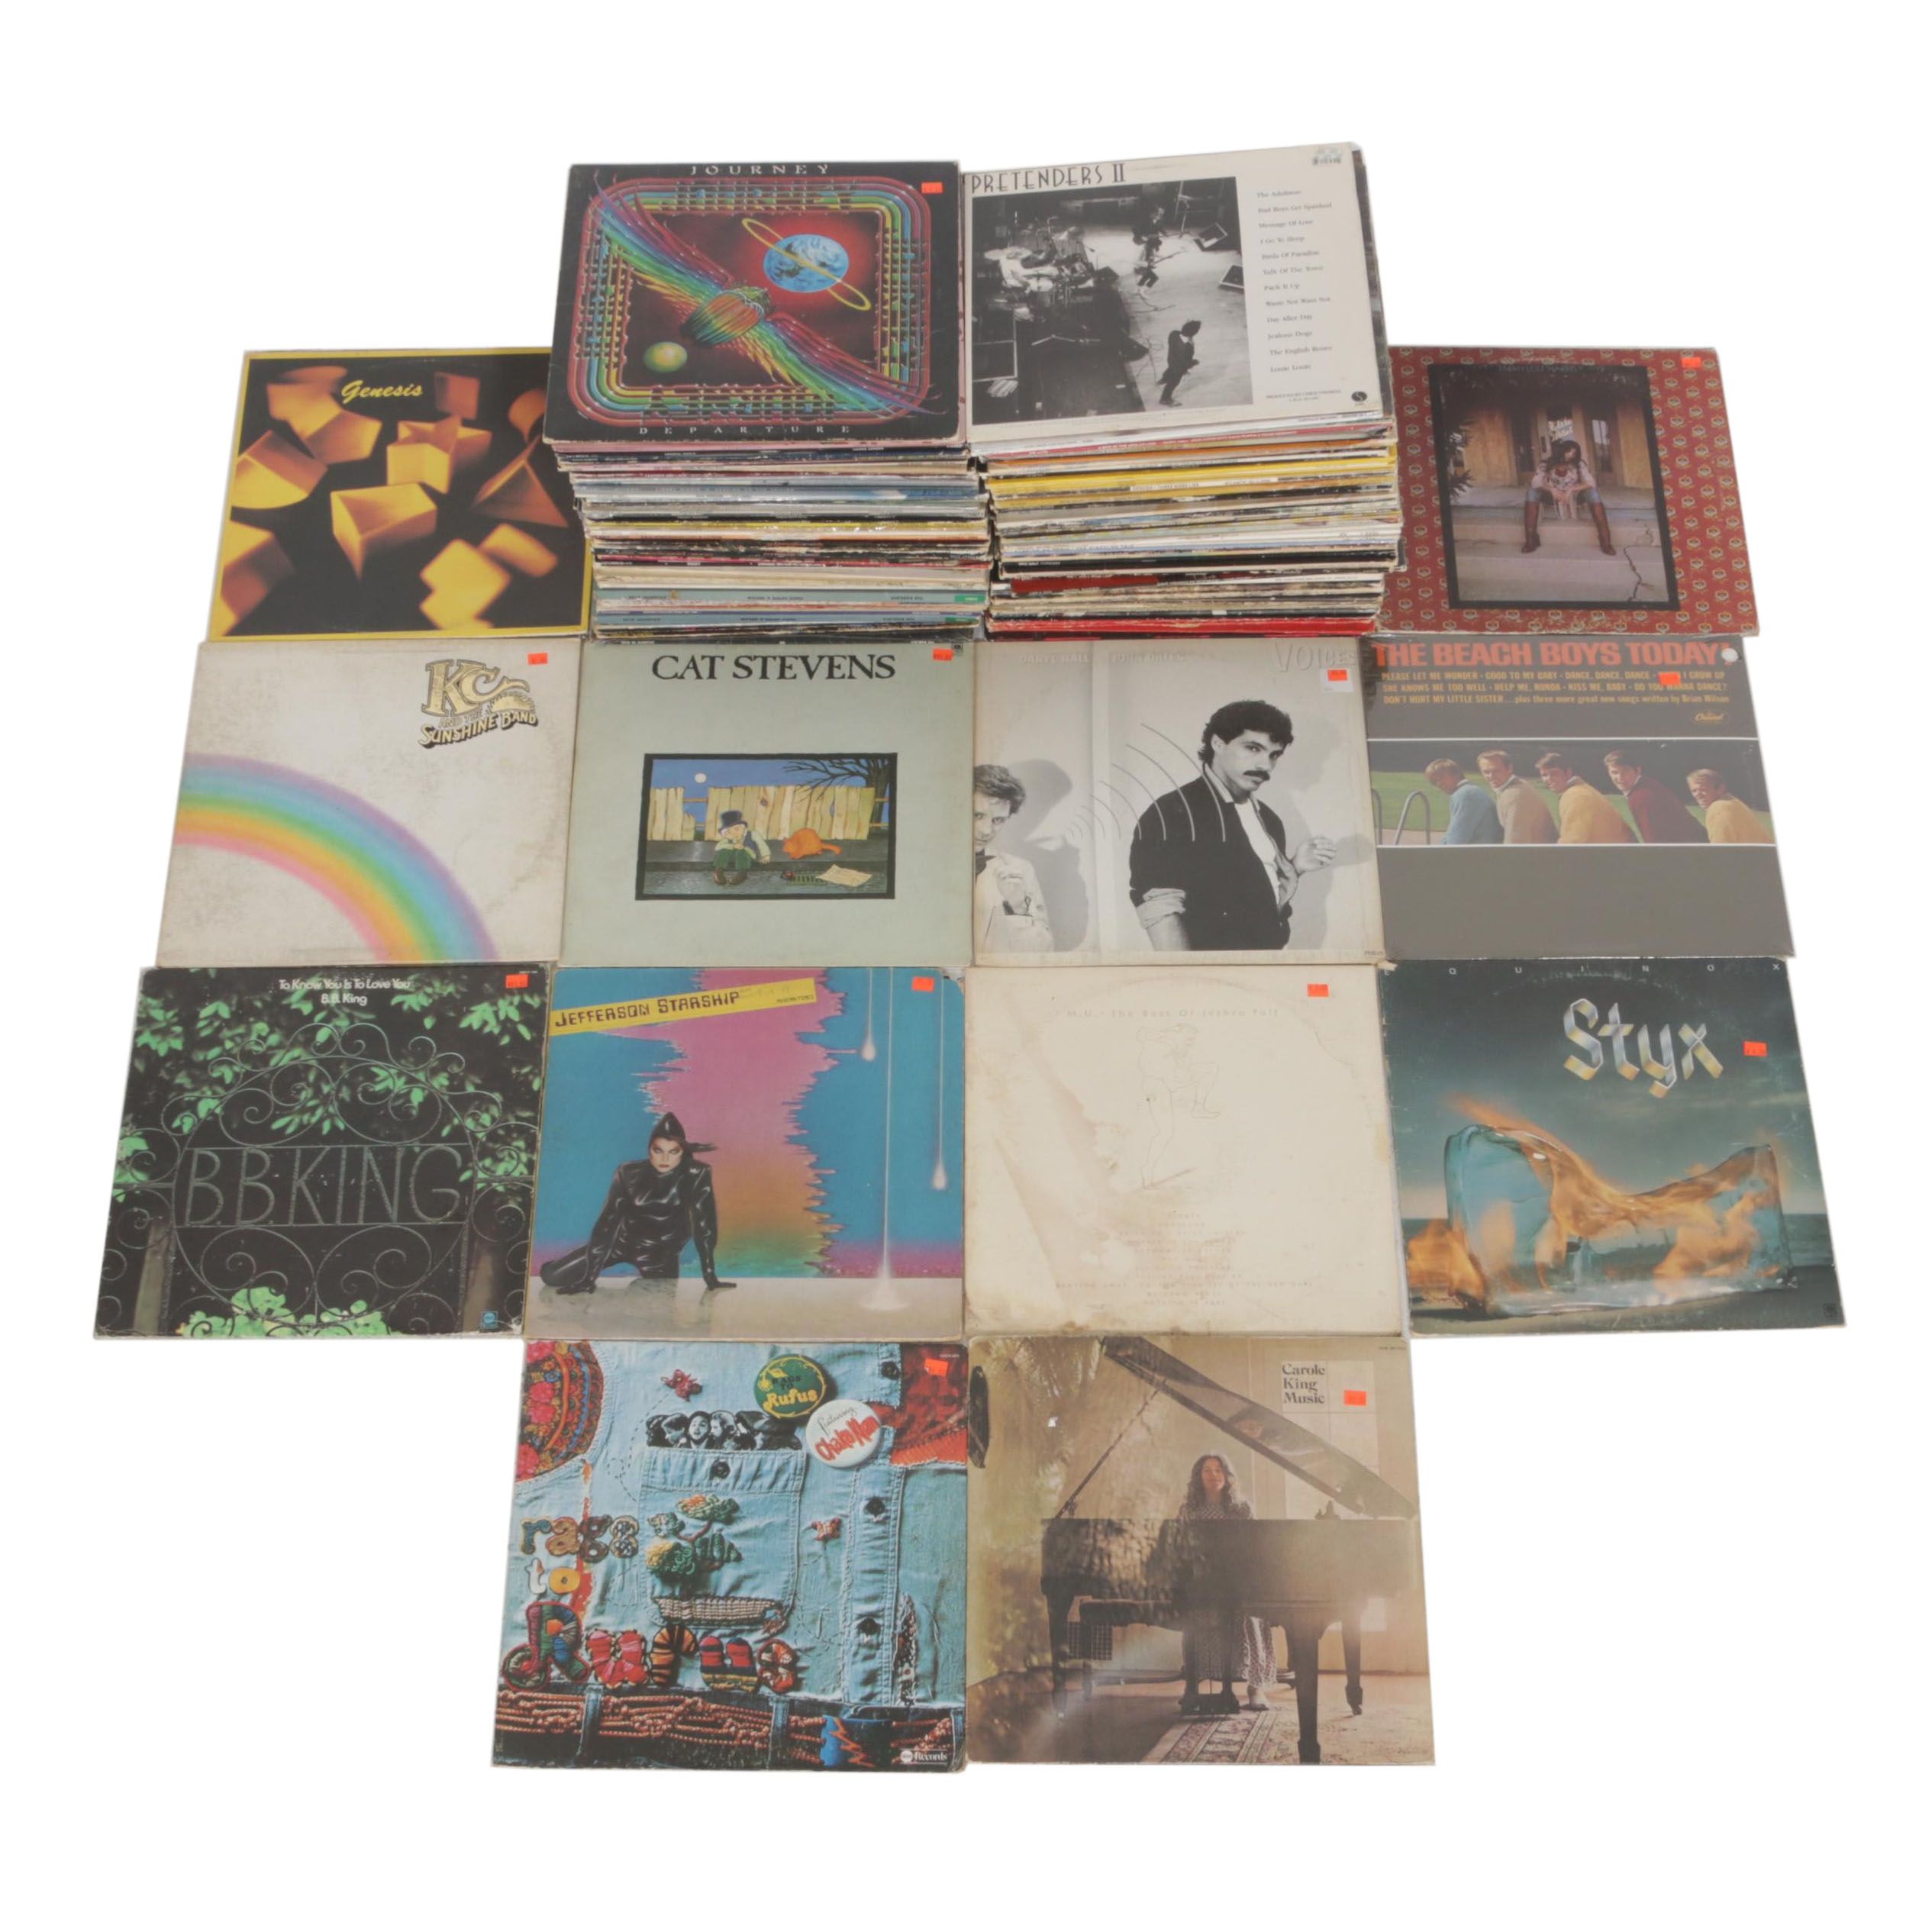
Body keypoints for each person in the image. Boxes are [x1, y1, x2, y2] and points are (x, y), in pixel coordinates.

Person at [1128, 698, 1337, 952]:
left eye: (1274, 755)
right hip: (1211, 970)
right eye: (1253, 748)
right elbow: (1159, 905)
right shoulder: (1171, 812)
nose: (1265, 765)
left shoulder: (1269, 819)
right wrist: (1185, 972)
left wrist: (1294, 867)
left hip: (1268, 962)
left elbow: (1251, 897)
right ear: (1218, 743)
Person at [540, 1112, 734, 1295]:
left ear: (682, 1152)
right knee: (551, 1277)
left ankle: (631, 1293)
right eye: (658, 1151)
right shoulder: (628, 1173)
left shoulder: (696, 1174)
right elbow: (607, 1222)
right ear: (649, 1150)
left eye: (673, 1152)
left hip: (661, 1255)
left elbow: (704, 1224)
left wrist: (709, 1274)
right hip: (621, 1244)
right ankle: (559, 1267)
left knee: (658, 1308)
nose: (665, 1159)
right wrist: (589, 1278)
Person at [1177, 1454, 1275, 1714]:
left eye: (1219, 1470)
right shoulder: (1189, 1510)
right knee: (1196, 1614)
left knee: (1248, 1614)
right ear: (1199, 1476)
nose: (1213, 1475)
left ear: (1227, 1475)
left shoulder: (1242, 1509)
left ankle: (1255, 1687)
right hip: (1203, 1581)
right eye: (1207, 1470)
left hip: (1238, 1579)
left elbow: (1256, 1547)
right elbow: (1180, 1548)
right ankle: (1192, 1687)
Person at [972, 763, 1053, 953]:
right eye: (978, 815)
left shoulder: (1020, 870)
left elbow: (1043, 952)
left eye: (998, 820)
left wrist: (1017, 907)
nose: (986, 831)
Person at [1523, 437, 1617, 556]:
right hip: (1554, 497)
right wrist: (1552, 489)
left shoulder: (1579, 464)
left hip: (1575, 497)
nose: (1572, 455)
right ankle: (1531, 539)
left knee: (1593, 492)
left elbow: (1591, 483)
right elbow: (1535, 482)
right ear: (1560, 451)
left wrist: (1572, 489)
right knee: (1532, 492)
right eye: (1569, 452)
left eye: (1574, 453)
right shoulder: (1546, 464)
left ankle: (1605, 541)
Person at [1602, 749, 1705, 843]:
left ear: (1638, 770)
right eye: (1614, 772)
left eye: (1625, 771)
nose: (1620, 778)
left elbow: (1653, 841)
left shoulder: (1641, 797)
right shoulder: (1646, 784)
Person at [1534, 752, 1634, 843]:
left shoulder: (1576, 796)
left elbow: (1573, 841)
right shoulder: (1581, 790)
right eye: (1544, 775)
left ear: (1568, 772)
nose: (1549, 779)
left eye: (1554, 773)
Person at [1477, 749, 1556, 843]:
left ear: (1510, 768)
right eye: (1486, 772)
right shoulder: (1516, 786)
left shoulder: (1514, 795)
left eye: (1496, 771)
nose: (1491, 776)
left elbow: (1515, 842)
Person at [1424, 758, 1504, 844]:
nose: (1439, 784)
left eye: (1441, 778)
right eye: (1434, 782)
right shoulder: (1469, 791)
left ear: (1456, 774)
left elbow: (1456, 840)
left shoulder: (1466, 795)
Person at [1686, 767, 1775, 843]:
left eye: (1703, 789)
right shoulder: (1732, 802)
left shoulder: (1719, 809)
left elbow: (1721, 851)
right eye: (1694, 791)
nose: (1698, 795)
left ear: (1720, 789)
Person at [710, 809, 769, 887]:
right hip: (732, 856)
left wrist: (766, 855)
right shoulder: (729, 839)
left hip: (748, 854)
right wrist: (732, 846)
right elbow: (718, 847)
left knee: (741, 852)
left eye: (737, 829)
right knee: (723, 851)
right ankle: (719, 872)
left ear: (743, 828)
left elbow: (761, 844)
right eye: (729, 832)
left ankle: (742, 873)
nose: (734, 833)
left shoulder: (753, 834)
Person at [1158, 320, 1201, 405]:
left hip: (1171, 360)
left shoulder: (1174, 334)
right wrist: (1193, 363)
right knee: (1173, 382)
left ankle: (1163, 379)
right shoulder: (1188, 347)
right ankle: (1165, 399)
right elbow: (1185, 362)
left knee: (1171, 369)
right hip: (1179, 367)